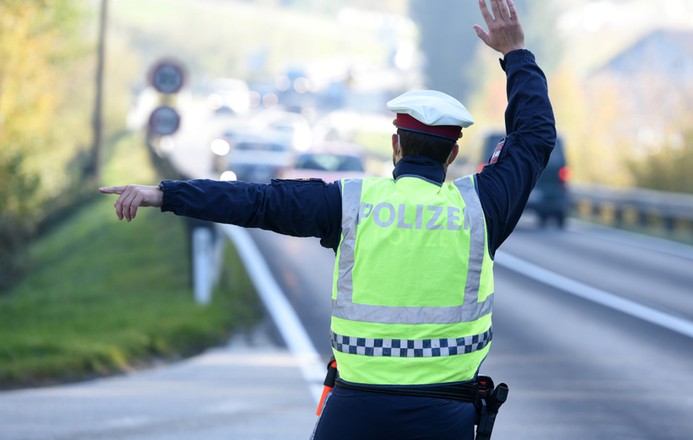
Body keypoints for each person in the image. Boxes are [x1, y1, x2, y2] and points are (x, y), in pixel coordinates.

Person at [100, 0, 555, 438]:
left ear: (396, 146)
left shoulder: (351, 203)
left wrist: (164, 194)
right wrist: (516, 53)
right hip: (445, 416)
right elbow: (533, 137)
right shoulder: (480, 207)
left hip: (356, 412)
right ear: (453, 154)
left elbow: (257, 202)